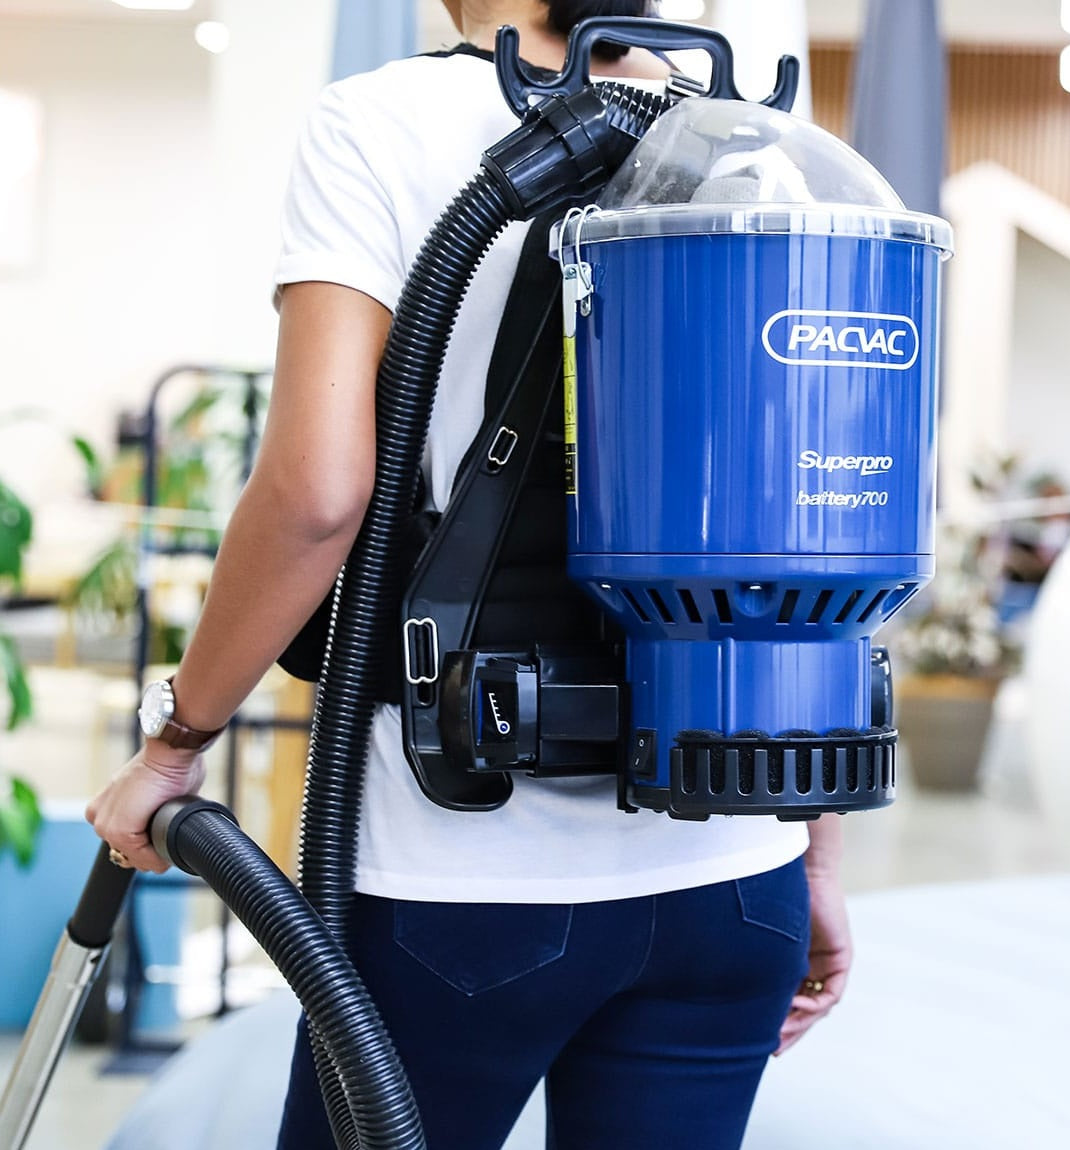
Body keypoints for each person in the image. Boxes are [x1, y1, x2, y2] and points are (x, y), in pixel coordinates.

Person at [87, 3, 852, 1147]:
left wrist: (175, 741)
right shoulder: (761, 135)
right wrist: (814, 855)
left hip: (469, 878)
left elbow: (315, 495)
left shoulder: (380, 122)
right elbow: (818, 527)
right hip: (738, 880)